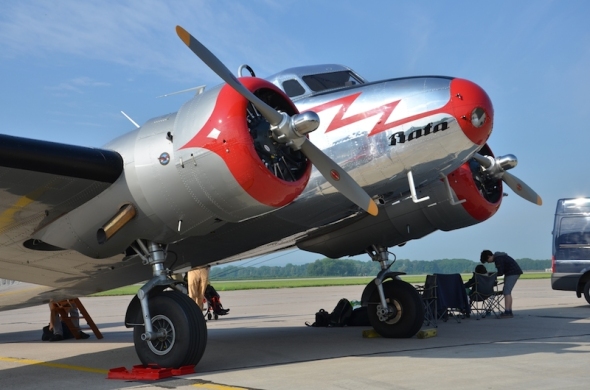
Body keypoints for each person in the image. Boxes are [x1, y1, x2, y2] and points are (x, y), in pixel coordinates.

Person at [480, 250, 522, 318]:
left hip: (512, 273)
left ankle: (508, 312)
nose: (488, 262)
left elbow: (500, 272)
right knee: (507, 291)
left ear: (488, 256)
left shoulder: (498, 259)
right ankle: (509, 311)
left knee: (507, 292)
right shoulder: (500, 257)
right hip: (511, 273)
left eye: (487, 260)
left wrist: (490, 275)